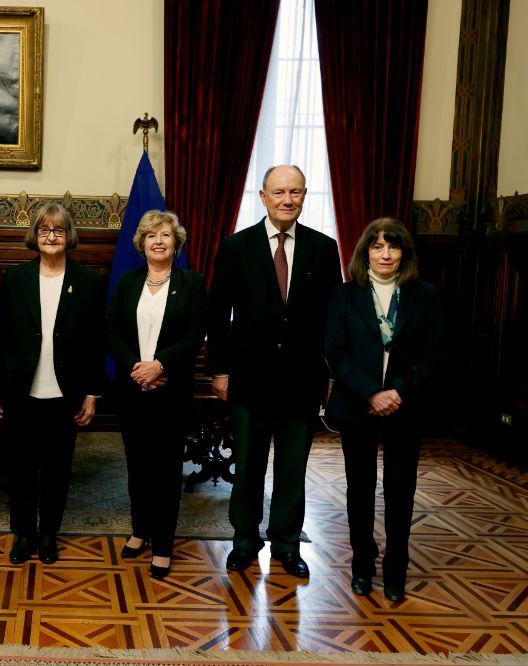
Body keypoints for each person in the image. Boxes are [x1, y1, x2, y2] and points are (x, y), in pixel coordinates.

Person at [206, 165, 342, 579]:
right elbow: (218, 313)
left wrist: (331, 374)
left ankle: (286, 543)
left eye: (295, 192)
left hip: (303, 380)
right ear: (263, 197)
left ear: (304, 196)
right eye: (279, 192)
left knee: (292, 468)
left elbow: (333, 316)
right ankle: (244, 541)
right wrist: (220, 371)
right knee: (248, 466)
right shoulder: (236, 246)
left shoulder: (324, 247)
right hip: (248, 378)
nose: (288, 199)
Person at [325, 217, 446, 602]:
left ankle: (396, 569)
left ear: (404, 254)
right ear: (365, 253)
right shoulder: (345, 295)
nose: (385, 254)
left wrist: (397, 392)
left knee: (400, 490)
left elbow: (435, 354)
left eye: (393, 246)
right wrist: (369, 393)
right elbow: (335, 352)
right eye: (377, 247)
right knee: (359, 489)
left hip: (405, 407)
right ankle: (362, 566)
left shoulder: (424, 294)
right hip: (356, 405)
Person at [0, 203, 105, 566]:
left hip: (65, 392)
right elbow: (2, 336)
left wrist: (91, 393)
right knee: (20, 467)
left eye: (57, 230)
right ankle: (23, 534)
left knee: (57, 469)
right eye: (43, 230)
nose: (50, 236)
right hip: (20, 389)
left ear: (68, 236)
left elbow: (94, 342)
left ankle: (49, 534)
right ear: (34, 236)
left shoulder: (88, 281)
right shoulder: (16, 278)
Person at [106, 210, 207, 580]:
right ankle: (140, 530)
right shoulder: (128, 281)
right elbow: (112, 330)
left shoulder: (191, 283)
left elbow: (194, 335)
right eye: (152, 236)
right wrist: (137, 367)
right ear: (142, 243)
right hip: (133, 389)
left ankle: (163, 544)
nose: (159, 241)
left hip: (170, 391)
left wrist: (159, 365)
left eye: (165, 235)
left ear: (175, 243)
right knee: (137, 467)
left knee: (165, 470)